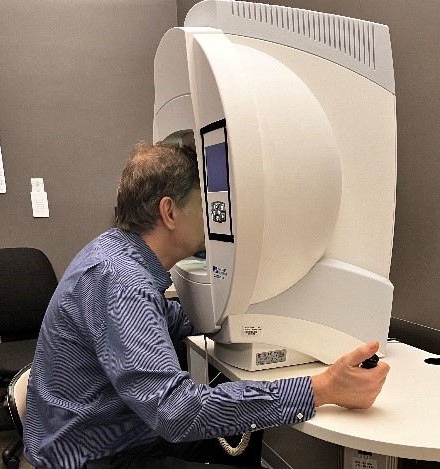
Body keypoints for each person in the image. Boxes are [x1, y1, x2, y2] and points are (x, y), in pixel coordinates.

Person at [23, 141, 390, 469]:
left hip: (105, 426)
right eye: (205, 204)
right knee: (234, 427)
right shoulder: (123, 282)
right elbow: (176, 412)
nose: (214, 218)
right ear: (169, 212)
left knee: (250, 435)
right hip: (93, 453)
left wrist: (248, 315)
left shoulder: (112, 252)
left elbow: (168, 319)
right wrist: (322, 387)